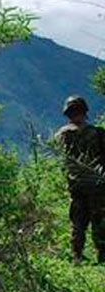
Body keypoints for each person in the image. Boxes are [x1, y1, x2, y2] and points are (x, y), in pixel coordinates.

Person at [53, 95, 105, 264]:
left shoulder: (61, 135)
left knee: (78, 223)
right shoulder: (98, 133)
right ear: (85, 112)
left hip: (76, 185)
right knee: (99, 222)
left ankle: (77, 256)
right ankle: (102, 256)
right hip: (97, 185)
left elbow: (61, 159)